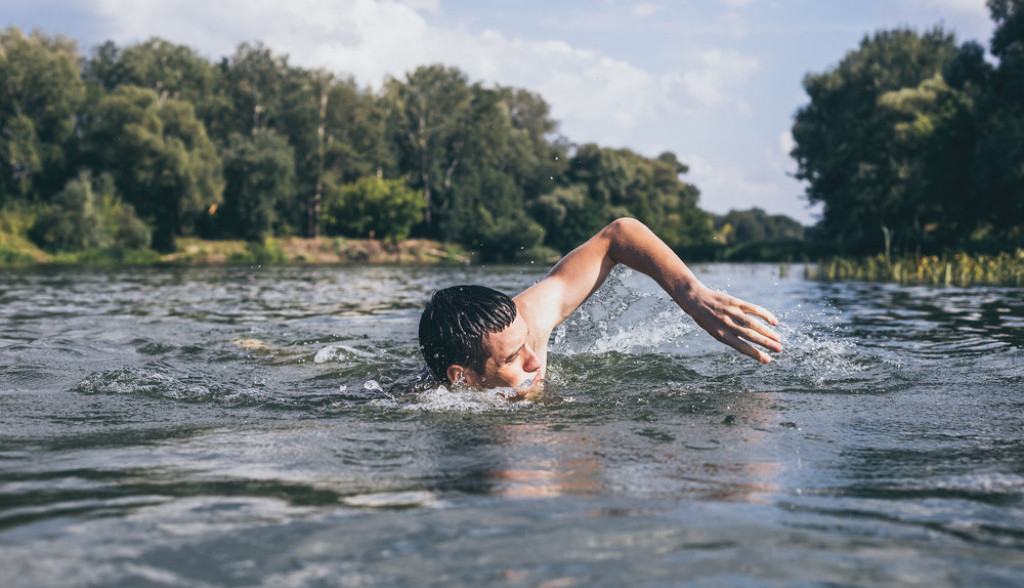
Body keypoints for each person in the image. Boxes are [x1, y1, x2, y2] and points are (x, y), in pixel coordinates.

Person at [418, 217, 782, 396]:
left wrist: (692, 294)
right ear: (461, 378)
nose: (535, 360)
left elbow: (618, 235)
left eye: (528, 340)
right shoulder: (427, 406)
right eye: (513, 358)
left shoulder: (527, 317)